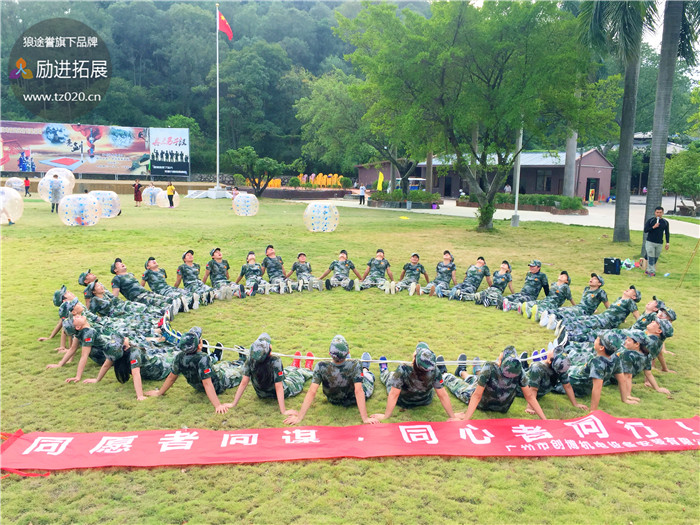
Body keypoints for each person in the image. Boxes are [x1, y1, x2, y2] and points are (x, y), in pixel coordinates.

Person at [283, 335, 377, 425]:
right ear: (348, 352)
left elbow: (312, 391)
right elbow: (359, 391)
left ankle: (347, 361)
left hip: (333, 399)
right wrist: (365, 418)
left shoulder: (321, 366)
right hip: (353, 400)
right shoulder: (356, 364)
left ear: (329, 354)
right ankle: (365, 368)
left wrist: (299, 417)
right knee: (367, 377)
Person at [146, 327, 243, 413]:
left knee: (223, 365)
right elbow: (207, 383)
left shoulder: (179, 357)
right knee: (239, 371)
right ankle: (243, 362)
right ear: (199, 345)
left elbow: (171, 377)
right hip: (219, 384)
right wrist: (217, 405)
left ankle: (238, 361)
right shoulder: (203, 358)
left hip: (199, 385)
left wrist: (159, 392)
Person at [440, 346, 547, 420]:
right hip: (502, 407)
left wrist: (466, 420)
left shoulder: (490, 367)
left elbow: (476, 396)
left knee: (457, 385)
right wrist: (545, 420)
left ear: (500, 362)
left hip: (483, 403)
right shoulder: (519, 371)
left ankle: (444, 374)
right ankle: (462, 371)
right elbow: (530, 396)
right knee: (477, 380)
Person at [229, 334, 315, 415]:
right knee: (297, 375)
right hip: (280, 392)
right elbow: (279, 386)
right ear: (269, 352)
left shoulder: (251, 359)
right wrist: (283, 411)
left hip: (261, 394)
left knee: (284, 372)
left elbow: (244, 382)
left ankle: (294, 366)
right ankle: (307, 369)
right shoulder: (275, 361)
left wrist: (233, 403)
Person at [372, 343, 458, 421]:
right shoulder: (435, 371)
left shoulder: (402, 369)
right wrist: (452, 416)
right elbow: (442, 395)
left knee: (390, 377)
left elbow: (394, 394)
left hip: (402, 401)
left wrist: (385, 416)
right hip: (424, 400)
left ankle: (384, 370)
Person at [539, 273, 610, 329]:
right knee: (562, 309)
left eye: (595, 279)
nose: (591, 279)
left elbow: (607, 306)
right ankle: (546, 316)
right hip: (578, 307)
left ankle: (553, 322)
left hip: (584, 311)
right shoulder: (586, 289)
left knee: (567, 312)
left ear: (599, 283)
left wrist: (607, 315)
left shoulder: (601, 292)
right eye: (592, 278)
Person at [110, 258, 175, 312]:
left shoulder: (131, 274)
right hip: (138, 297)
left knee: (168, 299)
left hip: (147, 293)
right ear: (115, 270)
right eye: (118, 264)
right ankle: (166, 311)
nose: (122, 263)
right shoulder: (116, 279)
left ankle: (174, 308)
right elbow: (115, 295)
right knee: (160, 303)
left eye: (121, 262)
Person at [643, 206, 670, 277]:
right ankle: (652, 272)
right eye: (657, 212)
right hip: (650, 242)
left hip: (659, 243)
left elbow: (667, 233)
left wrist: (667, 242)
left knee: (655, 258)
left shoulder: (665, 222)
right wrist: (653, 227)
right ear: (655, 213)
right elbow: (645, 230)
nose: (658, 214)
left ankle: (648, 270)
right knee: (650, 256)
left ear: (663, 213)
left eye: (660, 212)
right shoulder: (651, 221)